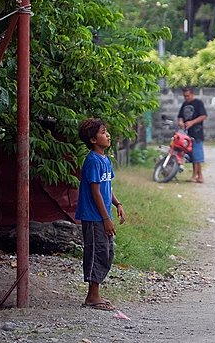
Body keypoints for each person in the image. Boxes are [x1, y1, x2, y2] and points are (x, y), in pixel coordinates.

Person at [75, 118, 126, 311]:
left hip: (103, 215)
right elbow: (95, 192)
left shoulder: (105, 160)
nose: (108, 135)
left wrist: (117, 204)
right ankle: (92, 296)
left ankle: (95, 294)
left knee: (106, 252)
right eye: (103, 132)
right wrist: (105, 219)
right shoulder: (92, 161)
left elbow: (107, 187)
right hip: (94, 216)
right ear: (93, 139)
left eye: (107, 131)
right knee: (97, 252)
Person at [177, 87, 207, 183]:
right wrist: (181, 122)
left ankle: (198, 175)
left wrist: (192, 122)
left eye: (188, 96)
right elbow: (180, 116)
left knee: (197, 155)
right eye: (184, 96)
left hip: (197, 133)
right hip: (186, 134)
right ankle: (196, 175)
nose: (186, 98)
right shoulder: (184, 104)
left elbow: (203, 116)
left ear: (192, 94)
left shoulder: (198, 103)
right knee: (193, 156)